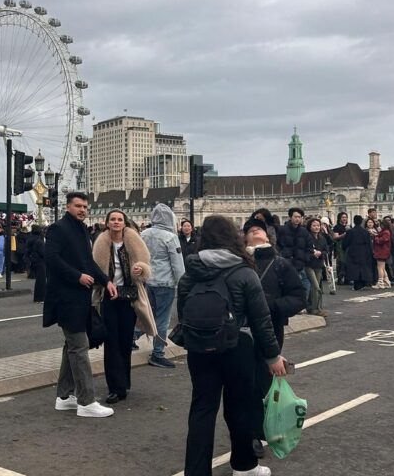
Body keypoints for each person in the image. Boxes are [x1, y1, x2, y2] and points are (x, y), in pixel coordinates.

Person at [179, 215, 286, 476]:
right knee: (239, 408)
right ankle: (244, 466)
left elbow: (183, 313)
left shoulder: (191, 272)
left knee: (202, 410)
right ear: (232, 237)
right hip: (237, 346)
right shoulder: (244, 272)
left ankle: (196, 472)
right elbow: (261, 320)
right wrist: (273, 356)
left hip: (200, 348)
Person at [42, 192, 114, 418]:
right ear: (67, 207)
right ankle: (86, 401)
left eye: (85, 206)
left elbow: (88, 262)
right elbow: (51, 259)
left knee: (72, 347)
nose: (82, 210)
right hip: (65, 297)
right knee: (80, 347)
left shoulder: (82, 229)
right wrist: (77, 277)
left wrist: (106, 281)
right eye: (78, 206)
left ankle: (64, 396)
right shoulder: (58, 229)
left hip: (79, 297)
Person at [243, 217, 304, 459]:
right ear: (244, 237)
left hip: (270, 329)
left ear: (268, 236)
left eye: (259, 228)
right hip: (241, 331)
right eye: (250, 229)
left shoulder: (280, 264)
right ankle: (249, 432)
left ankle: (257, 431)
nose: (255, 230)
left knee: (262, 382)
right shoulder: (239, 262)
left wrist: (274, 306)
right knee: (243, 383)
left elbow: (298, 296)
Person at [93, 209, 152, 404]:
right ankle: (115, 388)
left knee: (125, 340)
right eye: (113, 219)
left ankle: (124, 381)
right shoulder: (101, 242)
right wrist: (104, 282)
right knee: (111, 341)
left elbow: (145, 264)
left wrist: (139, 268)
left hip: (128, 296)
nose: (116, 222)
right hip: (109, 295)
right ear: (107, 223)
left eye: (120, 219)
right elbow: (95, 268)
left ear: (124, 223)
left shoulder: (132, 240)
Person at [141, 203, 185, 369]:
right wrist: (182, 284)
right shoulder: (170, 237)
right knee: (162, 319)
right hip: (165, 282)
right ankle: (158, 353)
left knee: (147, 314)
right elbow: (177, 264)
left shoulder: (143, 233)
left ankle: (131, 339)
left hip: (148, 280)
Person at [277, 207, 312, 309]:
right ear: (290, 217)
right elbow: (278, 245)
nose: (297, 219)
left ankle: (301, 306)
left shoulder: (304, 232)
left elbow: (309, 246)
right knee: (289, 286)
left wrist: (305, 258)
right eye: (295, 216)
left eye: (299, 217)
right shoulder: (282, 230)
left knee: (305, 284)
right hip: (287, 263)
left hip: (300, 263)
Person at [305, 217, 330, 316]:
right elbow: (304, 249)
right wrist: (313, 253)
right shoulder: (307, 237)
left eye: (318, 225)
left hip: (318, 264)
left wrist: (321, 253)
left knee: (316, 286)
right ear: (310, 226)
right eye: (314, 225)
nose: (316, 227)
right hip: (309, 264)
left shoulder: (322, 238)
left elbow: (326, 249)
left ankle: (313, 306)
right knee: (316, 287)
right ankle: (316, 309)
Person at [345, 215, 374, 291]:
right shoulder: (365, 232)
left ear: (354, 221)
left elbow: (345, 243)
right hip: (364, 251)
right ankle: (363, 283)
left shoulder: (350, 231)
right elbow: (369, 243)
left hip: (353, 251)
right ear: (361, 221)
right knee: (364, 267)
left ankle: (356, 284)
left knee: (354, 268)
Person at [370, 218, 392, 289]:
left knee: (380, 267)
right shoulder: (386, 231)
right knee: (383, 268)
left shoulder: (386, 232)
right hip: (384, 251)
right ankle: (386, 281)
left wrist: (375, 236)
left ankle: (380, 283)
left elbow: (381, 241)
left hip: (381, 251)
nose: (380, 226)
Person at [27, 226, 47, 302]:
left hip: (34, 261)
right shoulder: (39, 241)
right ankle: (41, 297)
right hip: (41, 262)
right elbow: (43, 253)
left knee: (38, 280)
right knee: (41, 281)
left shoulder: (31, 239)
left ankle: (37, 297)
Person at [331, 212, 349, 287]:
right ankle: (340, 278)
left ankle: (347, 279)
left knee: (348, 262)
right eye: (343, 217)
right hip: (340, 245)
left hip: (347, 245)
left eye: (345, 217)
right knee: (341, 262)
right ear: (339, 218)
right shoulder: (337, 227)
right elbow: (335, 237)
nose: (344, 219)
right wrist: (344, 234)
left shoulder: (348, 226)